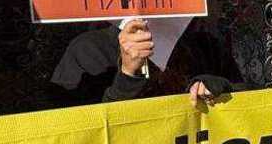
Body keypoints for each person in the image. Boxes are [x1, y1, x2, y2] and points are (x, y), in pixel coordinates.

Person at [51, 18, 242, 106]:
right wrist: (127, 75)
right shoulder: (88, 50)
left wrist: (222, 90)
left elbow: (254, 104)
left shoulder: (205, 45)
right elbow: (75, 136)